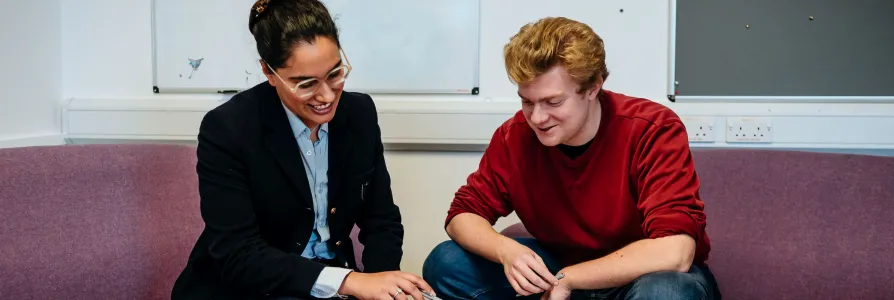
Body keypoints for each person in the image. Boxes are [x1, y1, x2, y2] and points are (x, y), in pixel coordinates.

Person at [422, 17, 721, 300]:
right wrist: (506, 251)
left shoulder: (653, 129)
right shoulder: (513, 135)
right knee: (446, 261)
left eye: (553, 102)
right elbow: (462, 215)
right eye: (527, 101)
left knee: (667, 291)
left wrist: (570, 278)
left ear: (593, 88)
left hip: (640, 276)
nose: (537, 118)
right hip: (557, 271)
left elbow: (675, 251)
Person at [171, 1, 434, 299]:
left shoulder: (359, 113)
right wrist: (349, 282)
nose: (326, 95)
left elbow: (382, 221)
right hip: (249, 288)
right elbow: (238, 254)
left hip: (333, 284)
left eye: (335, 74)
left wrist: (382, 285)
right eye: (306, 84)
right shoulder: (228, 129)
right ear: (269, 73)